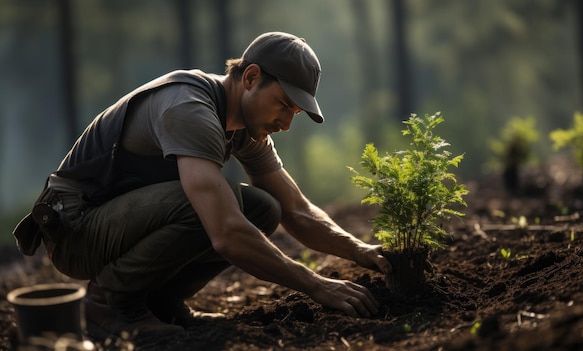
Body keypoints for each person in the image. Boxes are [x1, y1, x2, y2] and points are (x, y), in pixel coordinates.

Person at [13, 31, 391, 340]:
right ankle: (108, 303)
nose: (286, 124)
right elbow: (226, 233)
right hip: (76, 230)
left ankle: (161, 303)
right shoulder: (189, 107)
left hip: (114, 226)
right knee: (210, 207)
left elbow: (295, 208)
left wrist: (359, 251)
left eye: (294, 113)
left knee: (263, 207)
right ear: (251, 78)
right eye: (282, 105)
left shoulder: (243, 127)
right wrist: (315, 285)